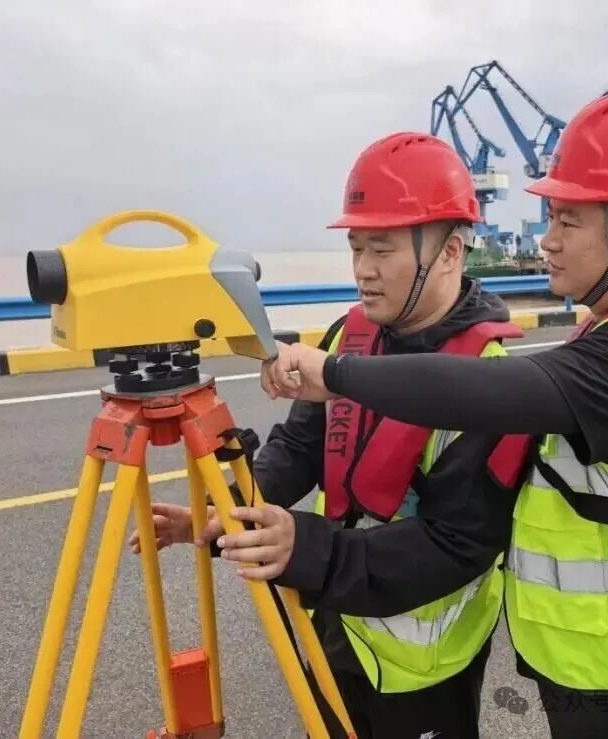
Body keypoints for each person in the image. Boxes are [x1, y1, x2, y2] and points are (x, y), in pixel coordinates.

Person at [262, 89, 608, 738]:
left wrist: (333, 375)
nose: (547, 241)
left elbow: (500, 394)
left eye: (568, 221)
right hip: (599, 671)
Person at [130, 131, 531, 739]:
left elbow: (458, 544)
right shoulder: (350, 335)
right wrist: (226, 510)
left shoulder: (488, 378)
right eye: (356, 248)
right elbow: (301, 447)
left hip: (424, 665)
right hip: (335, 627)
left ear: (451, 252)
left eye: (382, 249)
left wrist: (306, 550)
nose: (363, 270)